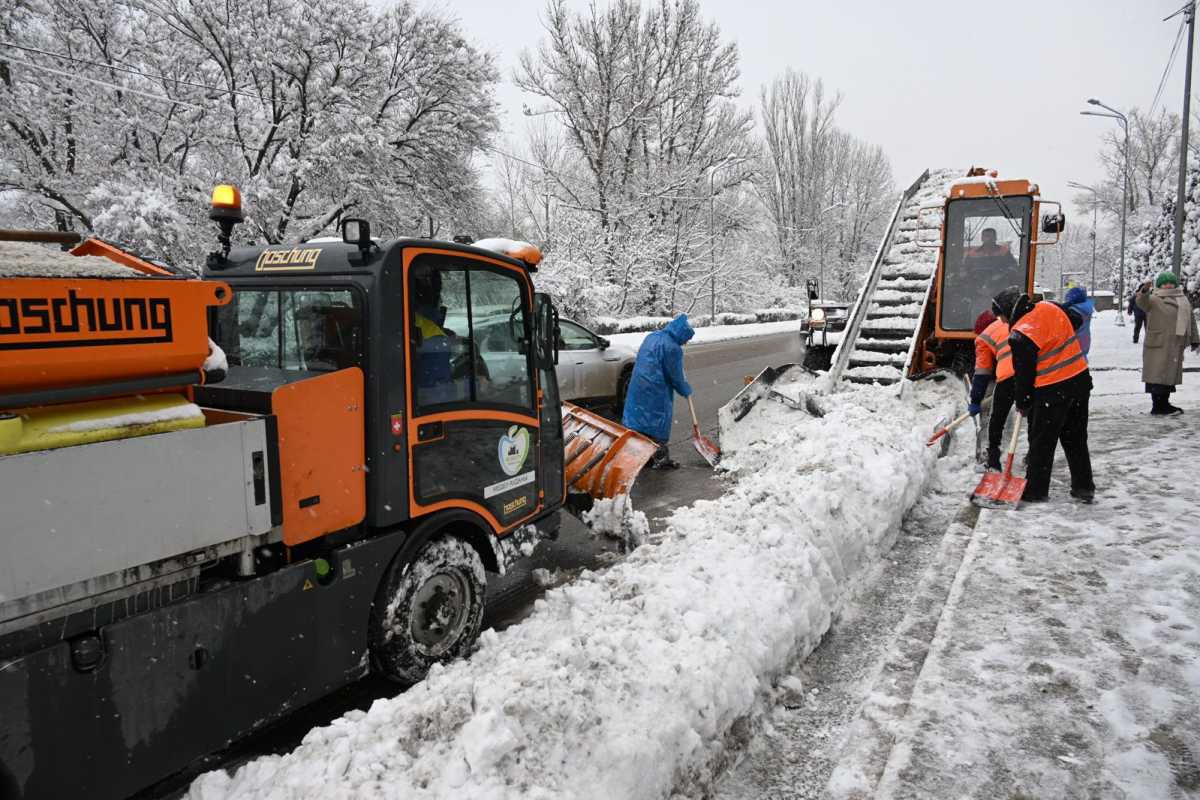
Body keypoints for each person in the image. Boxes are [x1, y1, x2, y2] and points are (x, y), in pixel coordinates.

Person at [993, 286, 1095, 504]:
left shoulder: (1020, 334)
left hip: (1052, 391)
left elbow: (1024, 375)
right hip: (1079, 382)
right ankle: (1083, 486)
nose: (1002, 322)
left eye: (1001, 317)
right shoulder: (1049, 307)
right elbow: (1076, 320)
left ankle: (1035, 491)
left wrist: (1023, 402)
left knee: (1042, 443)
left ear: (1009, 311)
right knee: (1076, 438)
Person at [622, 314, 695, 469]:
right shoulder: (673, 348)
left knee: (639, 418)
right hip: (656, 388)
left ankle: (639, 454)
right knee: (657, 421)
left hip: (638, 384)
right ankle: (660, 458)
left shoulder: (652, 336)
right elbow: (676, 377)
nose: (686, 342)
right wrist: (685, 389)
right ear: (682, 335)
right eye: (686, 339)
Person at [1135, 271, 1200, 415]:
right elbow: (1141, 301)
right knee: (1158, 376)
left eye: (1170, 282)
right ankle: (1158, 406)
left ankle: (1164, 403)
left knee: (1168, 377)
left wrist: (1195, 339)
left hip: (1175, 344)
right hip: (1158, 344)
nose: (1168, 285)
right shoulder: (1154, 299)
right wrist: (1144, 290)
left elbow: (1191, 321)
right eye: (1164, 283)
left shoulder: (1183, 300)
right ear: (1159, 285)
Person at [967, 309, 1015, 471]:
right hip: (1031, 374)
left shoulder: (985, 338)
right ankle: (1032, 459)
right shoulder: (1011, 325)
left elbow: (981, 374)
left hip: (1006, 377)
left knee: (993, 418)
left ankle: (990, 458)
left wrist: (975, 401)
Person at [1063, 286, 1096, 356]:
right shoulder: (1085, 309)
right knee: (1081, 361)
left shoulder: (1075, 311)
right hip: (1084, 341)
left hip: (1075, 343)